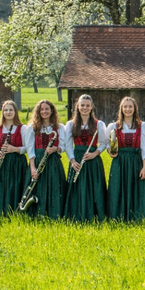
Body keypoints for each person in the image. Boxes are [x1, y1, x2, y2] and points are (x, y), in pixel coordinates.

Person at [106, 96, 145, 222]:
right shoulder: (114, 126)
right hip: (119, 161)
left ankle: (137, 217)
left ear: (135, 109)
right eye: (125, 106)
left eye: (130, 106)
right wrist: (110, 152)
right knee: (118, 187)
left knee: (136, 188)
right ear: (121, 109)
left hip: (135, 161)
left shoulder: (142, 126)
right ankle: (117, 217)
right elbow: (109, 145)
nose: (128, 109)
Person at [63, 94, 108, 222]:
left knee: (95, 186)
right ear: (77, 106)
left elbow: (104, 143)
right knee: (77, 187)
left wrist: (95, 154)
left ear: (92, 107)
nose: (84, 108)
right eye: (82, 105)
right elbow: (67, 144)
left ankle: (95, 215)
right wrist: (72, 161)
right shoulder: (71, 124)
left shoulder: (99, 124)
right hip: (77, 158)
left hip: (93, 159)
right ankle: (76, 215)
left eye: (87, 105)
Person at [25, 99, 68, 218]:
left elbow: (63, 146)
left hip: (53, 161)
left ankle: (53, 214)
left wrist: (55, 149)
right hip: (38, 160)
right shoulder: (32, 128)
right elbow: (30, 148)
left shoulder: (59, 127)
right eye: (42, 109)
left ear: (52, 111)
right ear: (38, 112)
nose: (44, 111)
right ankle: (37, 213)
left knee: (54, 186)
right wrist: (33, 168)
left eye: (47, 109)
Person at [0, 100, 30, 214]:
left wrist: (15, 149)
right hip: (1, 161)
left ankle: (14, 211)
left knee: (15, 185)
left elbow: (28, 147)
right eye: (5, 110)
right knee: (0, 185)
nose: (8, 112)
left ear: (15, 112)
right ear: (2, 112)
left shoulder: (23, 128)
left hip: (17, 162)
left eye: (11, 110)